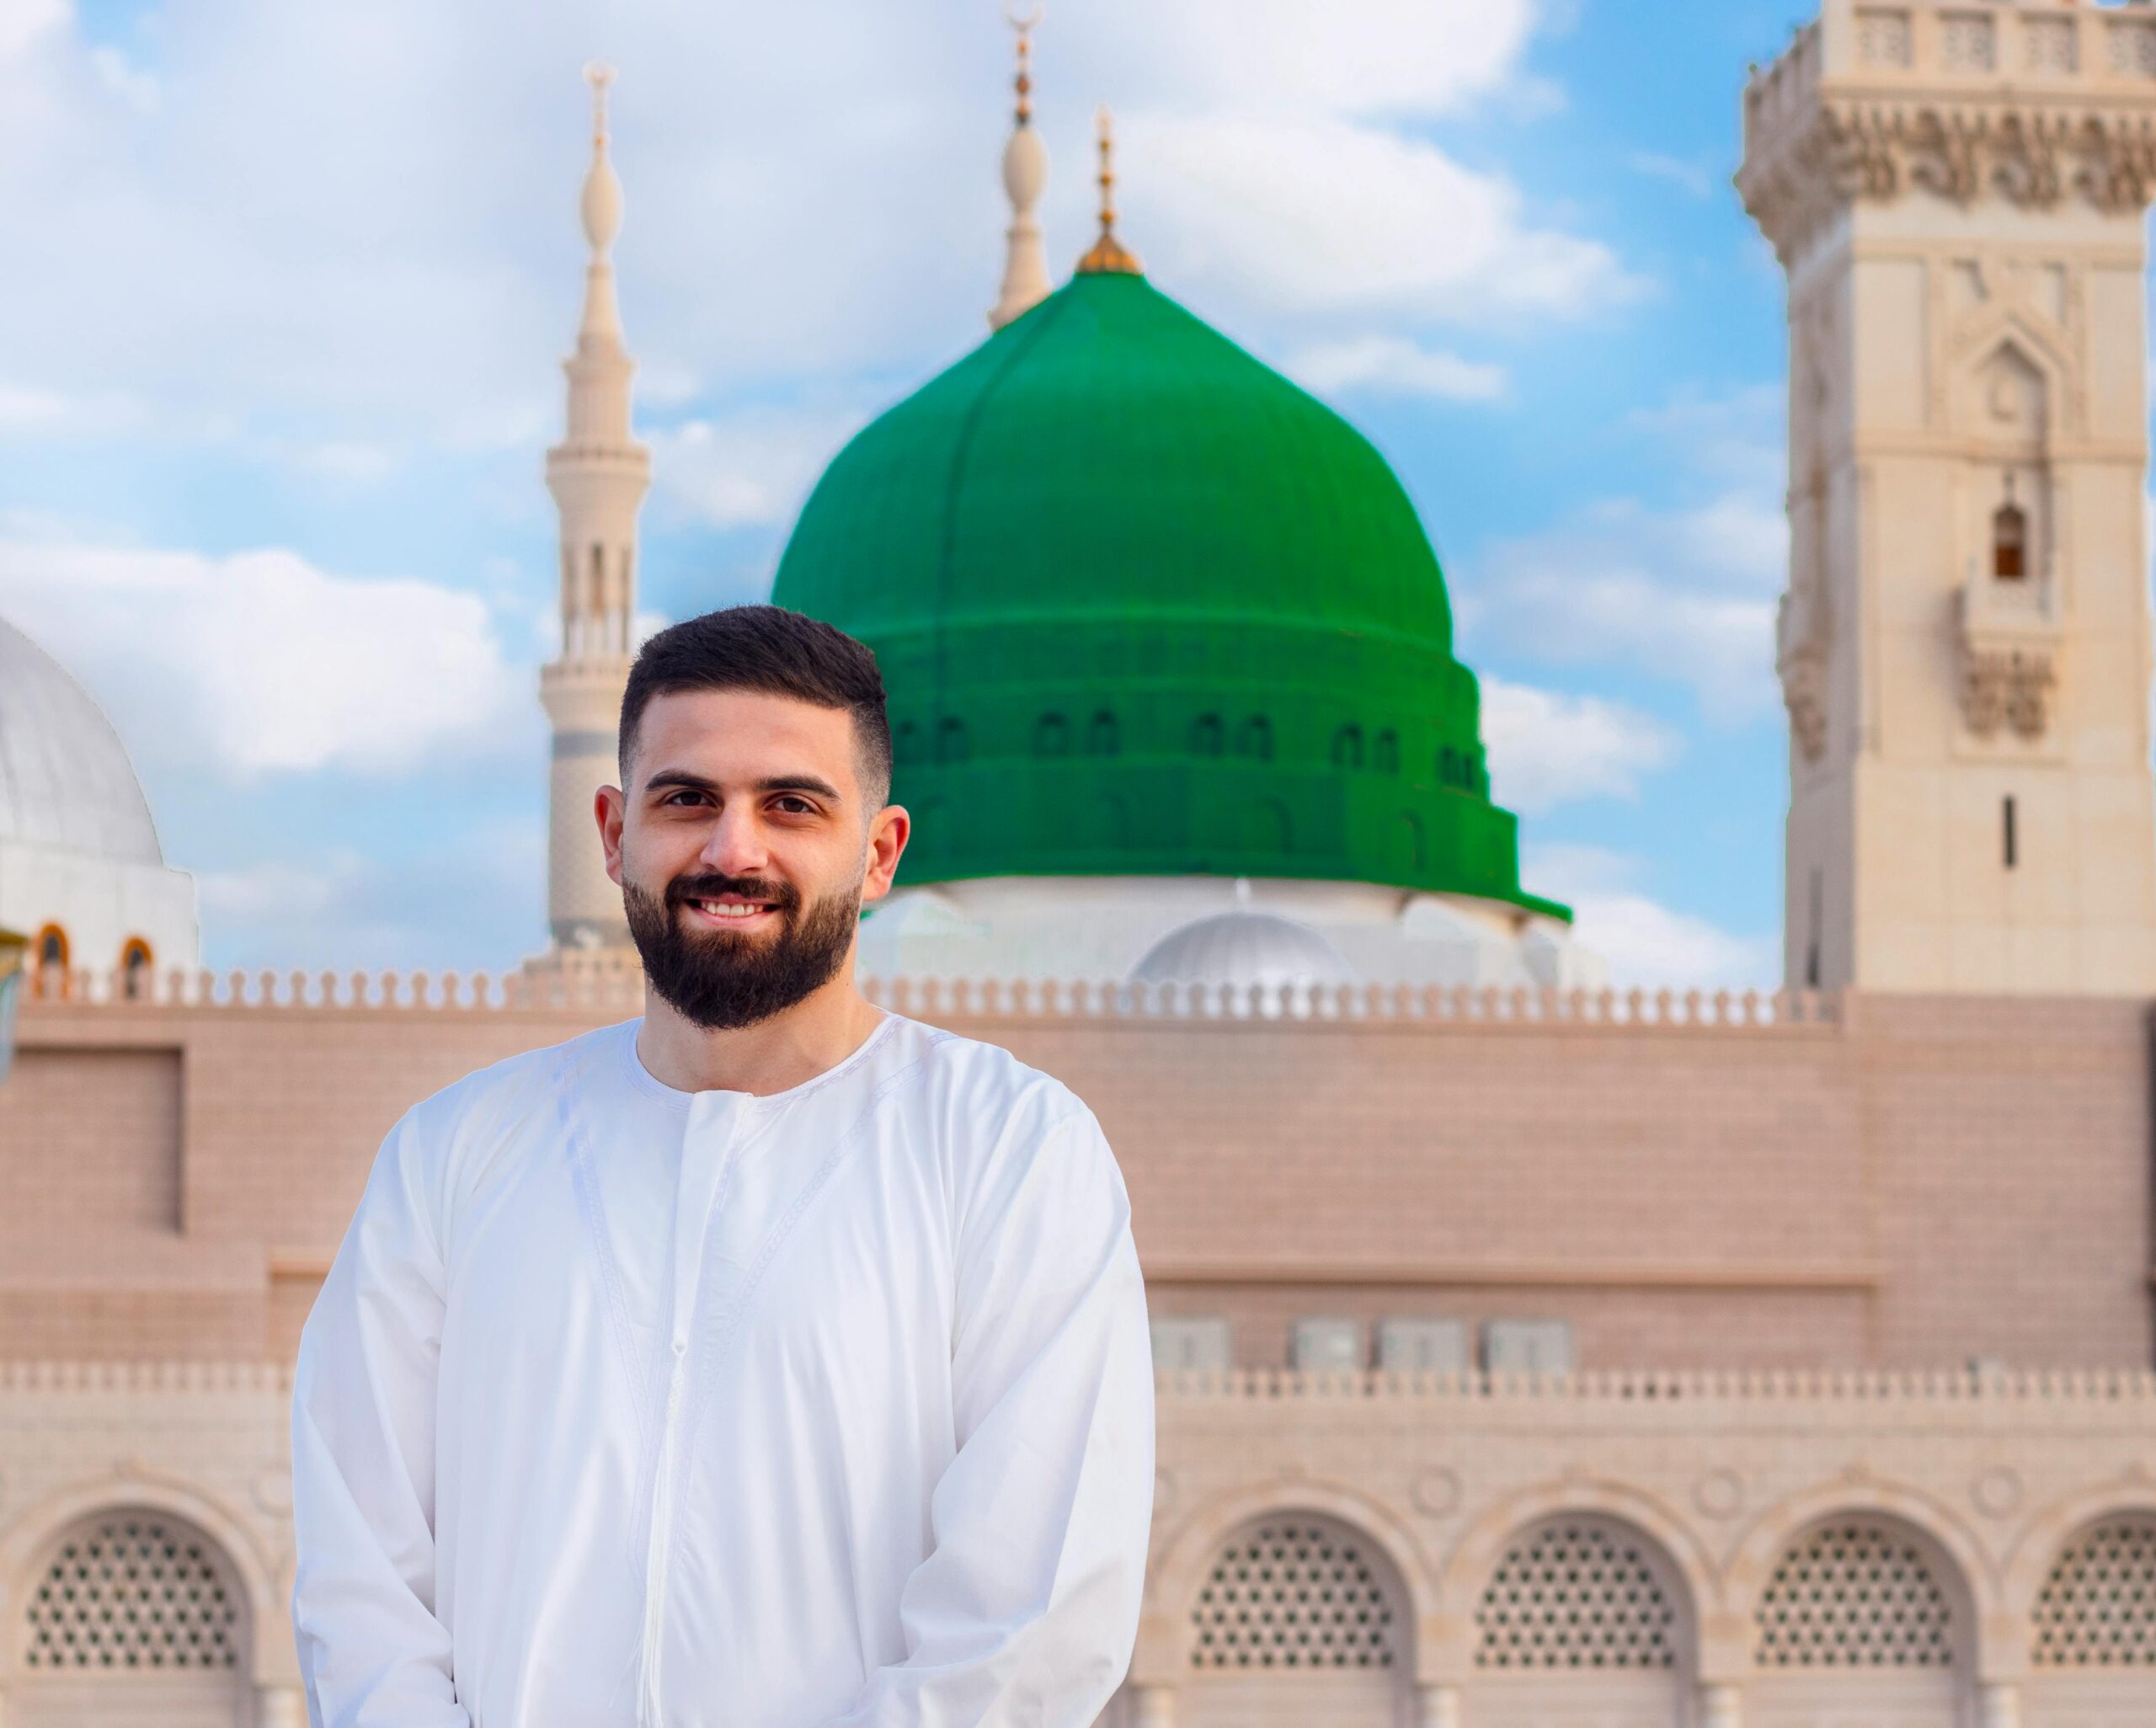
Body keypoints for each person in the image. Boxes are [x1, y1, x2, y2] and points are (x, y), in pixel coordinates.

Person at [290, 605, 1155, 1727]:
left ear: (881, 851)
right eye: (686, 798)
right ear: (611, 832)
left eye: (791, 805)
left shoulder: (1006, 1153)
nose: (731, 850)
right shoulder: (455, 1159)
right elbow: (365, 1594)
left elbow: (1026, 1628)